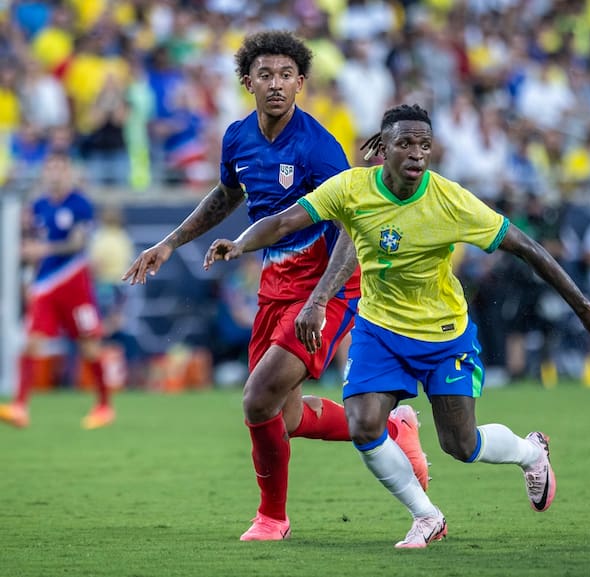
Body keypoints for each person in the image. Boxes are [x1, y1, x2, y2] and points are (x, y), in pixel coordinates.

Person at [203, 104, 590, 548]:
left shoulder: (450, 200)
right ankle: (426, 515)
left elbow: (526, 247)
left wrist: (585, 307)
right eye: (406, 143)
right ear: (383, 148)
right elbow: (284, 221)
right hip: (379, 330)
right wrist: (239, 244)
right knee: (364, 425)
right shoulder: (353, 188)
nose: (417, 154)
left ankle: (531, 452)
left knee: (461, 444)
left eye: (425, 145)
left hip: (443, 334)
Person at [122, 31, 428, 542]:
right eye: (265, 75)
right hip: (275, 287)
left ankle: (272, 518)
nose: (277, 84)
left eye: (287, 75)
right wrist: (170, 243)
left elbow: (358, 225)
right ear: (248, 82)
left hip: (327, 289)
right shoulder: (238, 138)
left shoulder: (317, 146)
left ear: (301, 83)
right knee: (281, 417)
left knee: (256, 399)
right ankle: (396, 429)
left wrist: (321, 298)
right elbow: (225, 196)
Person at [0, 152, 115, 430]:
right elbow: (35, 244)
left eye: (59, 168)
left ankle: (103, 405)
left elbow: (77, 244)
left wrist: (44, 249)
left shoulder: (80, 204)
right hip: (45, 286)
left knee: (89, 346)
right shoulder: (38, 205)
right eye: (49, 168)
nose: (54, 173)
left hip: (75, 284)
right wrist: (29, 267)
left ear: (69, 173)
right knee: (32, 341)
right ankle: (20, 406)